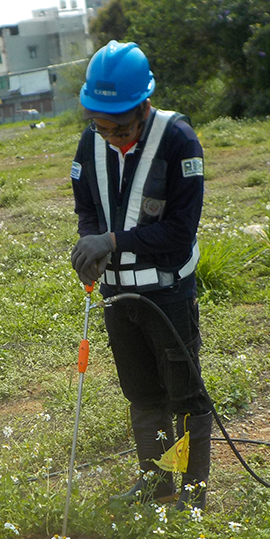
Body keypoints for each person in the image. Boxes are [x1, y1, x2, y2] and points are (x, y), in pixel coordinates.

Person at [69, 40, 214, 510]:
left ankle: (191, 490)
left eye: (121, 127)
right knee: (142, 393)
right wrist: (90, 244)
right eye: (101, 125)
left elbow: (178, 230)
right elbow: (88, 207)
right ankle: (157, 480)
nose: (111, 135)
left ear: (144, 106)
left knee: (184, 395)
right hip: (118, 297)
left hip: (166, 293)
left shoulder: (178, 141)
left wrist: (112, 242)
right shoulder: (91, 142)